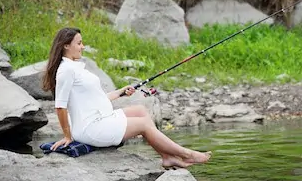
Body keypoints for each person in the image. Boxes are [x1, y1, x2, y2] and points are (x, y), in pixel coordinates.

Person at [42, 27, 211, 169]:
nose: (83, 46)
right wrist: (67, 136)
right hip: (90, 129)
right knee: (143, 124)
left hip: (99, 119)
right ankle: (186, 154)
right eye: (79, 43)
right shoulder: (66, 71)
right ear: (65, 46)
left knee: (140, 110)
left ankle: (166, 156)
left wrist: (120, 92)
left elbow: (96, 98)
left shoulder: (75, 67)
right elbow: (60, 106)